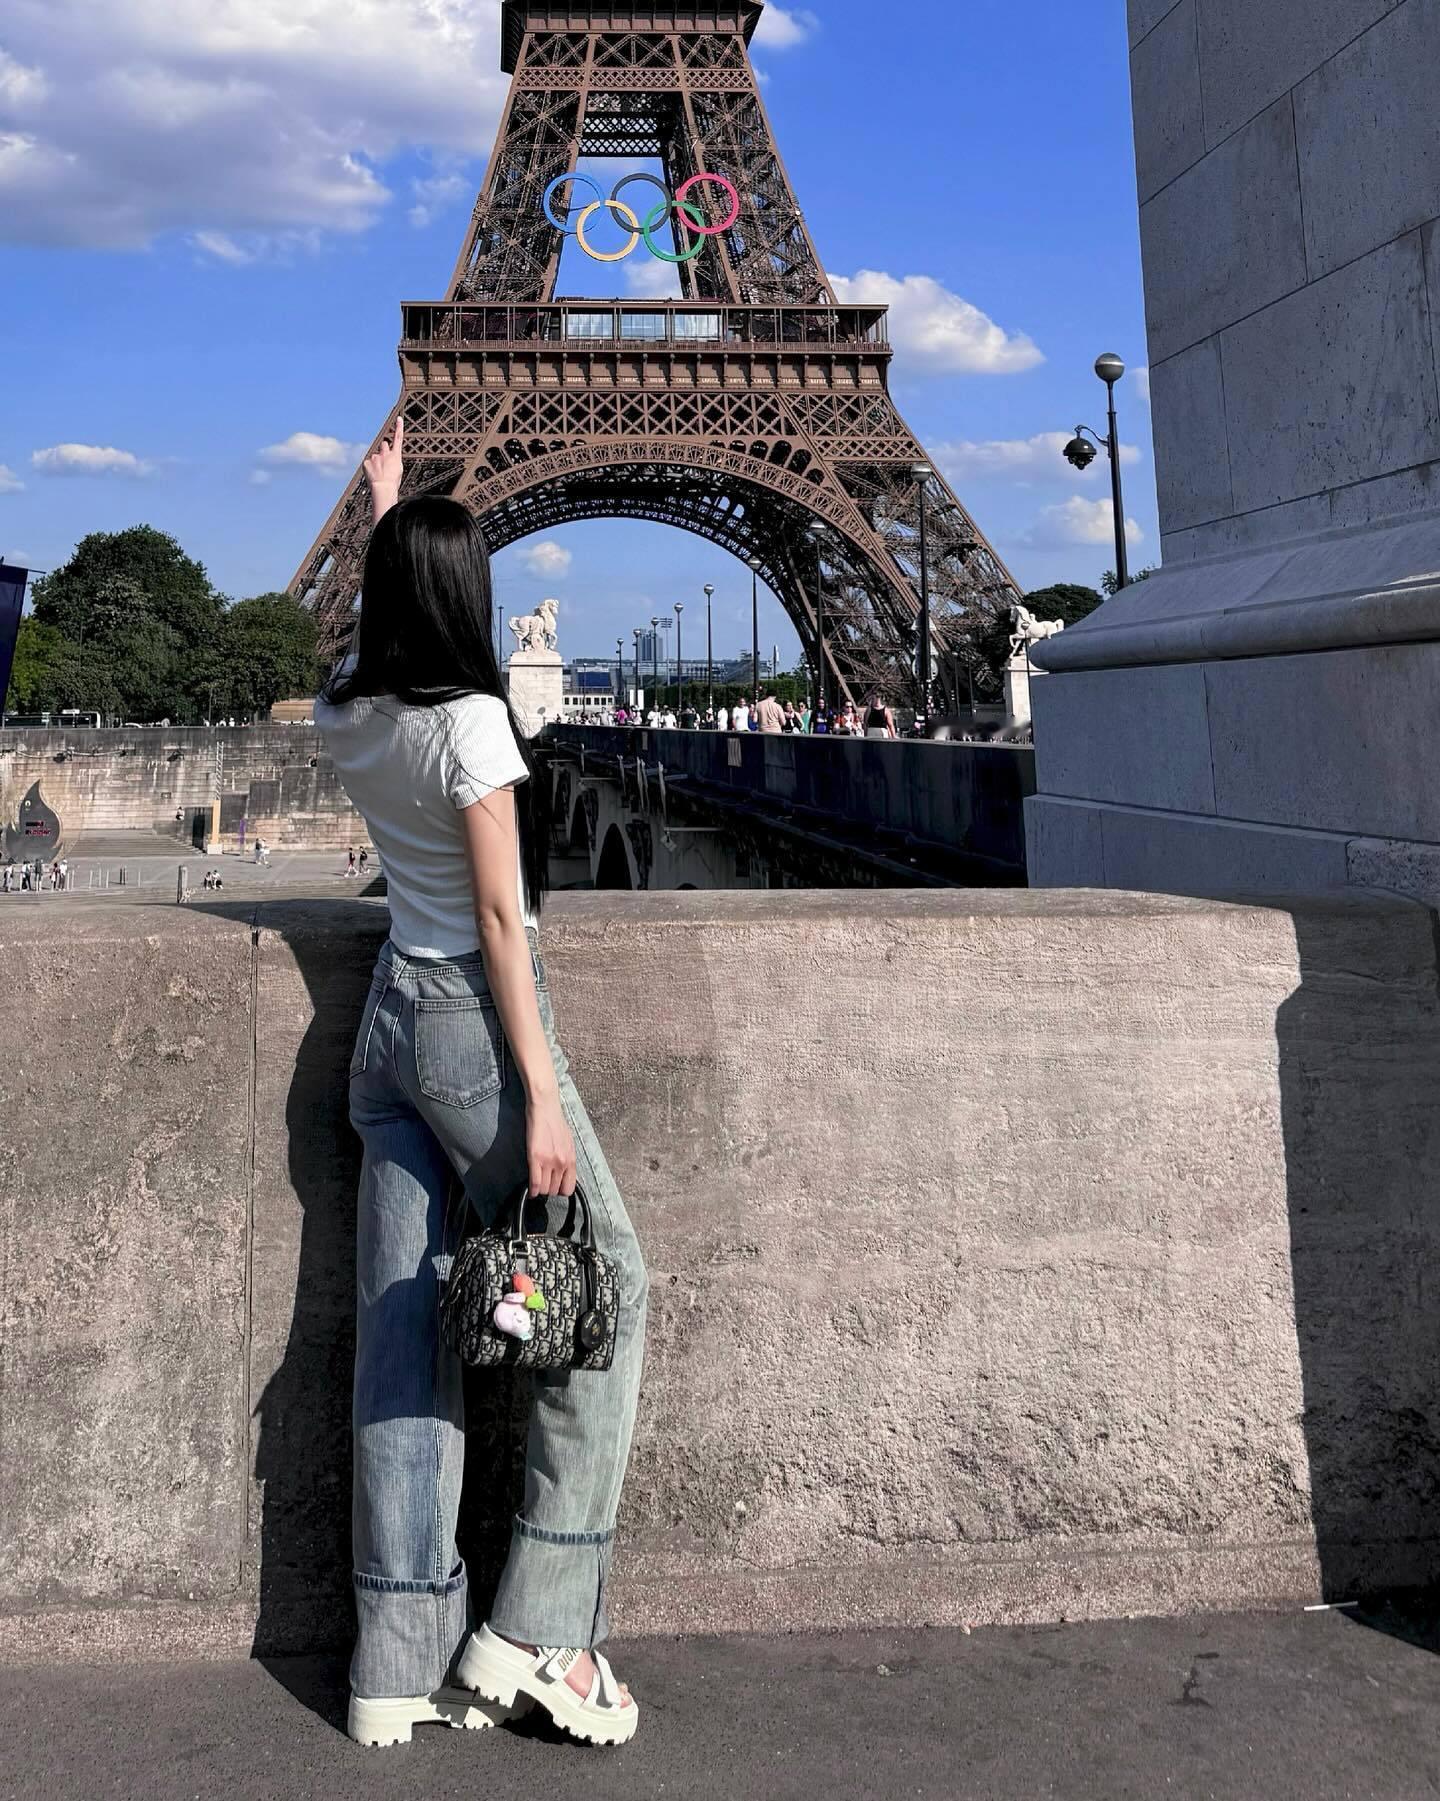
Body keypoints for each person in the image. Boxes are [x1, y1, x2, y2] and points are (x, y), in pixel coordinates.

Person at [314, 417, 646, 1751]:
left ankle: (396, 1655)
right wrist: (543, 1101)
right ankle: (541, 1630)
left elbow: (362, 637)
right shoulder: (474, 728)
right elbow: (505, 924)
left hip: (386, 1028)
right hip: (472, 1033)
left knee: (403, 1339)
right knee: (609, 1289)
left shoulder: (351, 714)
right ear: (472, 600)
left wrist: (384, 511)